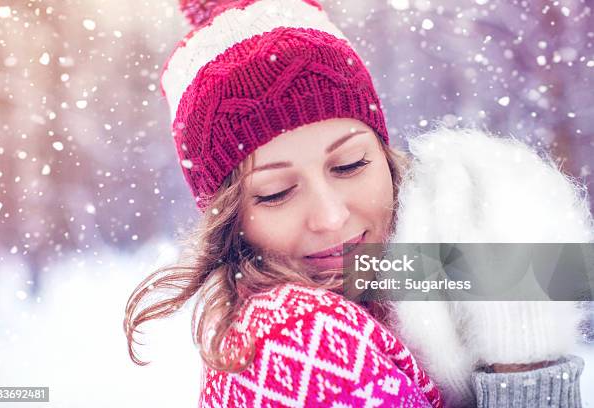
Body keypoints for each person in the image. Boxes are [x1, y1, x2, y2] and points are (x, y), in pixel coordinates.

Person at [123, 0, 593, 407]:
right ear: (230, 219)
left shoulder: (395, 273)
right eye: (275, 193)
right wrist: (526, 364)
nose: (331, 217)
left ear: (386, 158)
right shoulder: (298, 338)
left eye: (349, 165)